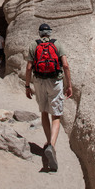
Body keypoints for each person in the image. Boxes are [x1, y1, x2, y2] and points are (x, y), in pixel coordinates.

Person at [25, 23, 72, 171]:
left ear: (39, 33)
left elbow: (28, 67)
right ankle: (52, 145)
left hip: (39, 81)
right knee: (56, 116)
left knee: (44, 111)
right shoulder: (57, 44)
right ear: (50, 33)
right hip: (55, 81)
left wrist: (27, 86)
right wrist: (68, 84)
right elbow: (65, 65)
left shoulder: (34, 45)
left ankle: (47, 142)